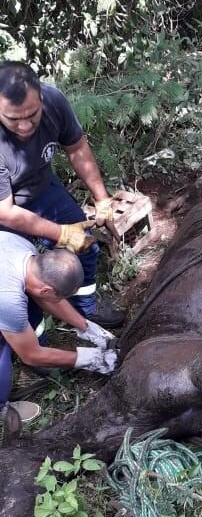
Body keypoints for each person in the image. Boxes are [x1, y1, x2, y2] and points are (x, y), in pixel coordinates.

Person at [0, 60, 124, 328]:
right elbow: (6, 212)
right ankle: (37, 344)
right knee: (26, 282)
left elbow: (77, 149)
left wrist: (102, 198)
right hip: (5, 213)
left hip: (41, 187)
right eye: (13, 119)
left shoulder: (54, 102)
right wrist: (61, 234)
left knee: (86, 246)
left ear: (41, 98)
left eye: (32, 115)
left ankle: (85, 309)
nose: (24, 126)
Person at [0, 232, 118, 422]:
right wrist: (91, 359)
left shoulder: (27, 253)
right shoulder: (8, 299)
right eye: (59, 296)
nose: (60, 301)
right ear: (46, 290)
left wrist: (87, 327)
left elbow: (44, 296)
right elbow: (31, 355)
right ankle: (1, 406)